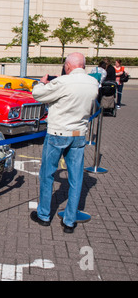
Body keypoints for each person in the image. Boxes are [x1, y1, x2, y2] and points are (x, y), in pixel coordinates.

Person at [30, 52, 98, 234]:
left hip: (58, 133)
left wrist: (43, 82)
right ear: (83, 66)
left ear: (68, 66)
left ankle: (44, 215)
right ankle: (69, 221)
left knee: (47, 174)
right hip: (79, 134)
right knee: (76, 179)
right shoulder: (93, 83)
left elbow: (37, 94)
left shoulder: (62, 82)